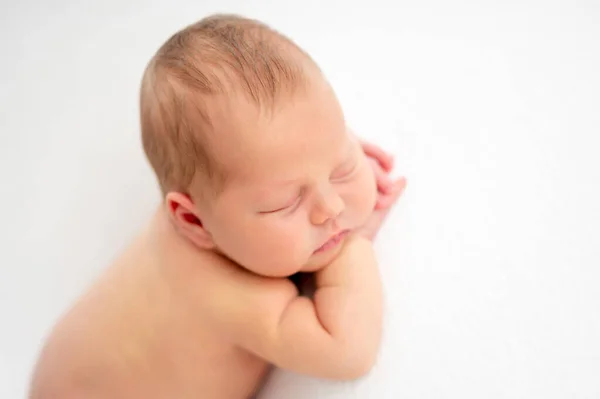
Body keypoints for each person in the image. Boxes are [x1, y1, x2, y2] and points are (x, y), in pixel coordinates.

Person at [29, 14, 407, 399]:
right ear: (194, 220)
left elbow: (289, 150)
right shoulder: (223, 293)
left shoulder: (229, 200)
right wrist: (351, 246)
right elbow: (346, 353)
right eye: (284, 203)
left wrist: (340, 153)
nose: (330, 205)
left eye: (341, 166)